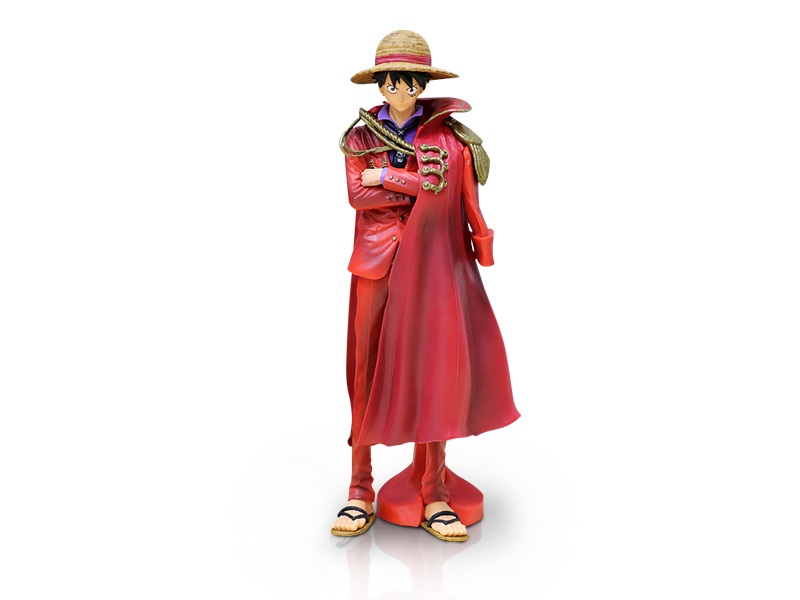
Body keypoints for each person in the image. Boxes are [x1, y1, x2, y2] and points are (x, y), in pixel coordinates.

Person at [332, 30, 520, 542]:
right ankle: (360, 488)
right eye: (391, 82)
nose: (400, 90)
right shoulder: (360, 137)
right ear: (380, 83)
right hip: (378, 262)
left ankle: (434, 491)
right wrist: (414, 187)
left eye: (410, 82)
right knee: (365, 372)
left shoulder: (450, 139)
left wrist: (389, 179)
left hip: (436, 262)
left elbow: (450, 192)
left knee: (436, 372)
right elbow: (358, 196)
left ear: (422, 83)